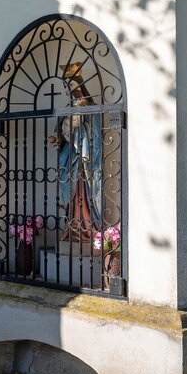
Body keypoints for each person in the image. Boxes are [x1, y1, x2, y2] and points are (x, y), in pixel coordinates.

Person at [50, 63, 102, 242]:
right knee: (72, 195)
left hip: (83, 160)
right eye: (69, 86)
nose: (72, 90)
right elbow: (62, 132)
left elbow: (92, 131)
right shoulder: (68, 108)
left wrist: (79, 127)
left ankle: (88, 227)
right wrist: (57, 137)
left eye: (73, 85)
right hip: (69, 159)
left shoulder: (90, 106)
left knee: (84, 193)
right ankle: (73, 227)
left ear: (80, 84)